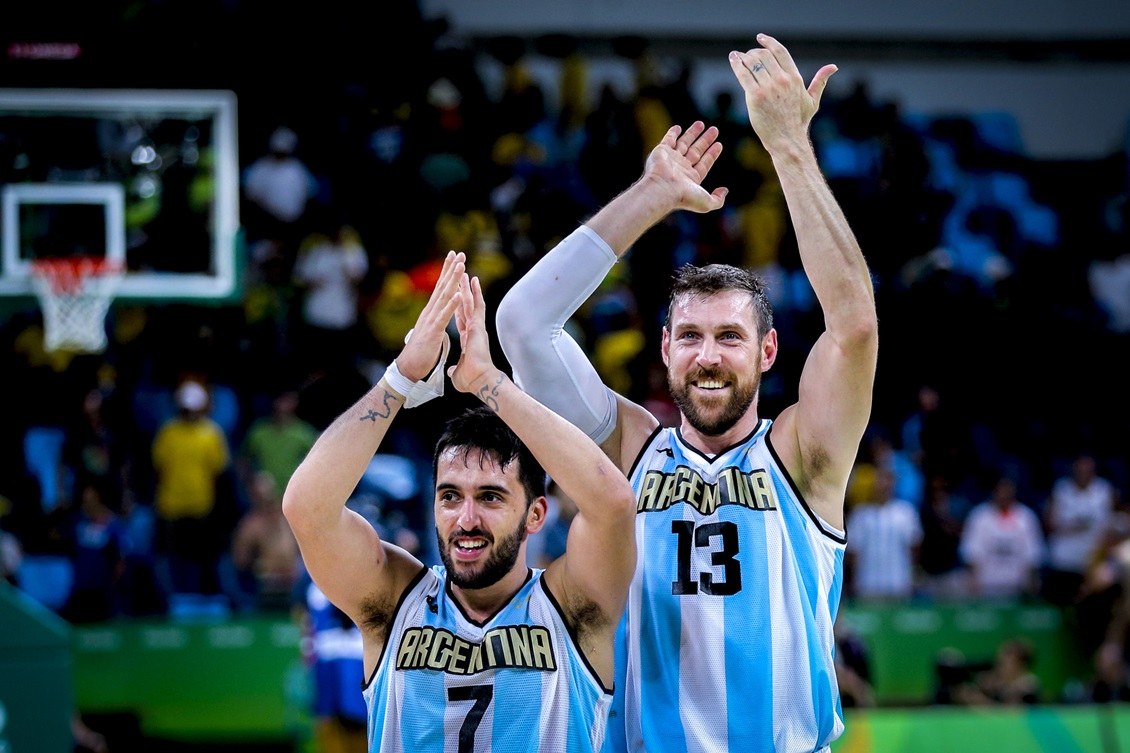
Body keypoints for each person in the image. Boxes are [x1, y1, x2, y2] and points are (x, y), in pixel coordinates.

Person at [497, 34, 878, 753]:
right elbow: (522, 324)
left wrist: (789, 147)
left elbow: (854, 325)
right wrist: (651, 196)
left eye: (730, 337)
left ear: (767, 352)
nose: (708, 356)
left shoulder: (805, 455)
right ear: (666, 349)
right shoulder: (626, 449)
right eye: (691, 335)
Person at [282, 251, 636, 752]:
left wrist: (488, 384)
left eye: (490, 497)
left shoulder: (573, 606)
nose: (466, 519)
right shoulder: (393, 601)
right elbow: (306, 508)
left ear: (536, 514)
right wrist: (400, 378)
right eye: (450, 497)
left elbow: (614, 503)